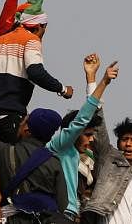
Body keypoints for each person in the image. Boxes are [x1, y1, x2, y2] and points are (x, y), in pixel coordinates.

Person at [0, 0, 73, 142]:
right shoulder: (31, 40)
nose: (44, 33)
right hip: (10, 116)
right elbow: (36, 72)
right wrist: (62, 89)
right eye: (44, 28)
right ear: (38, 27)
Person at [45, 54, 120, 221]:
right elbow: (84, 117)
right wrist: (101, 82)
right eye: (87, 135)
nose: (91, 140)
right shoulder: (61, 147)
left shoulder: (82, 158)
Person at [80, 110, 132, 224]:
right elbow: (99, 129)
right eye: (124, 139)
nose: (128, 144)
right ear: (118, 143)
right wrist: (95, 95)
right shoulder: (108, 160)